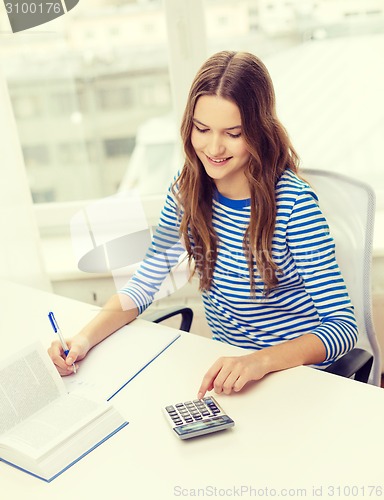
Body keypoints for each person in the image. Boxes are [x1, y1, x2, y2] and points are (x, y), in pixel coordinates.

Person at [48, 51, 358, 397]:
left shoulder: (294, 206)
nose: (213, 147)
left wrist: (259, 361)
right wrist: (83, 339)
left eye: (233, 133)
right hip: (229, 374)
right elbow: (144, 284)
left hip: (292, 377)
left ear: (258, 130)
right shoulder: (186, 191)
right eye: (202, 128)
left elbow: (343, 328)